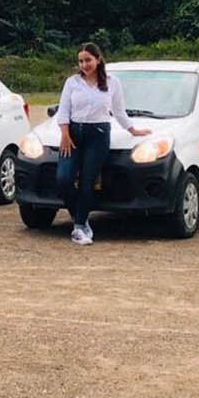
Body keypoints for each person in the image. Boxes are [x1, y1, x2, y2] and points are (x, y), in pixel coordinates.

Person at [55, 42, 151, 246]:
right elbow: (63, 110)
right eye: (80, 61)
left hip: (98, 134)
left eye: (88, 60)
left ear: (98, 60)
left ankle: (79, 227)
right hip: (73, 133)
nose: (84, 65)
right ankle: (79, 216)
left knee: (88, 180)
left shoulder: (112, 83)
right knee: (63, 178)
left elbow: (119, 111)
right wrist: (64, 134)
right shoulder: (72, 82)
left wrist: (133, 130)